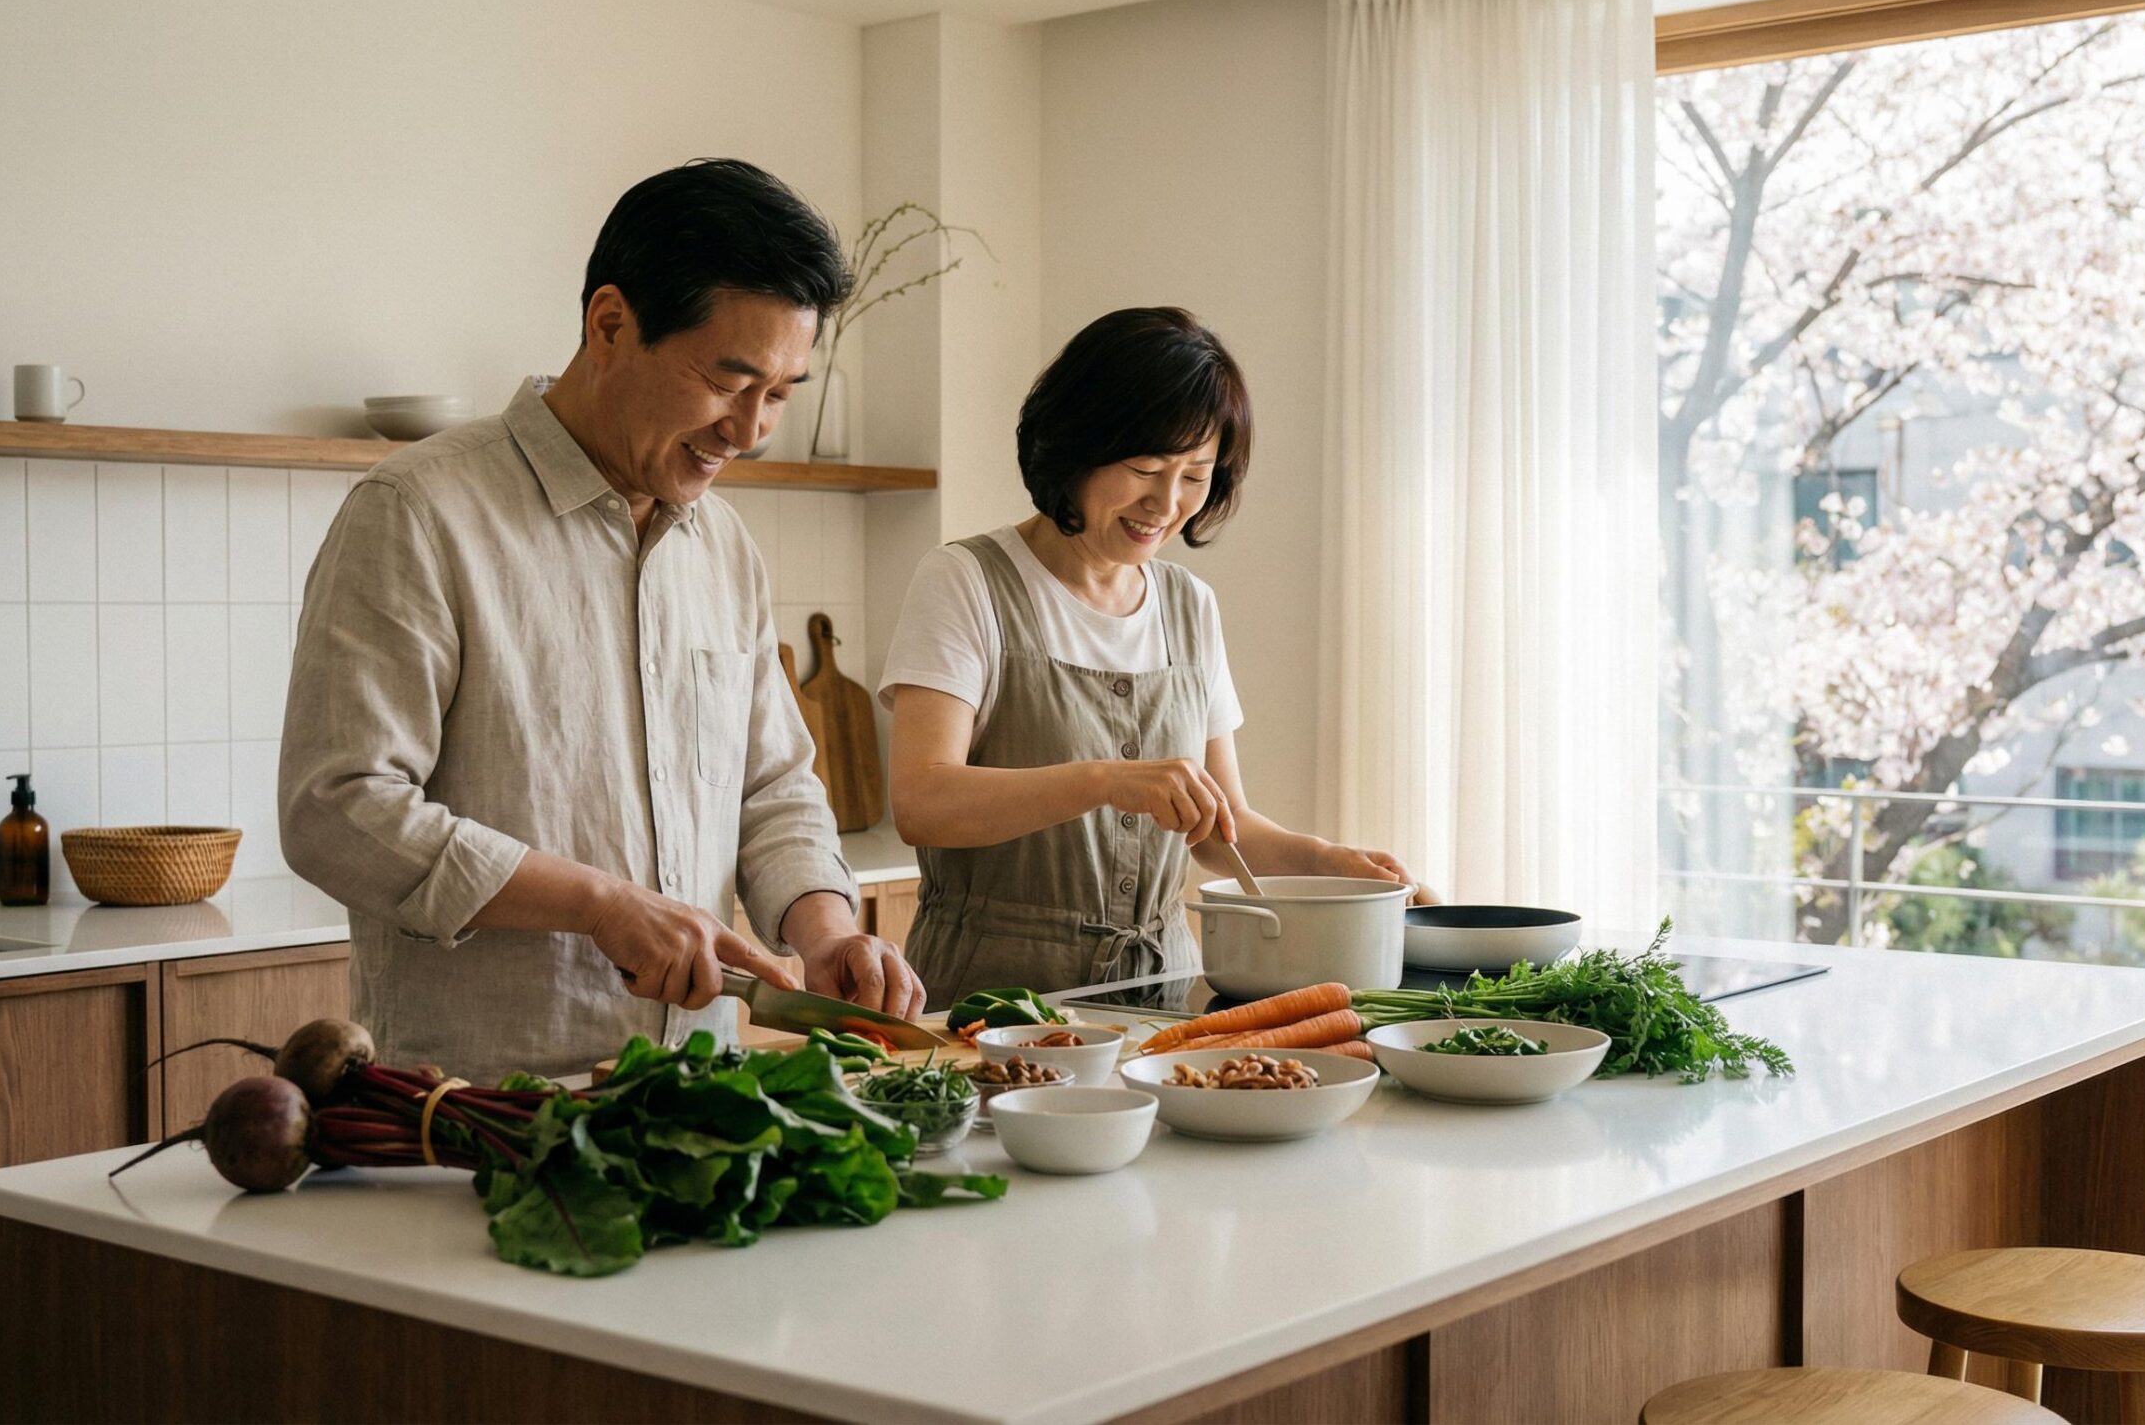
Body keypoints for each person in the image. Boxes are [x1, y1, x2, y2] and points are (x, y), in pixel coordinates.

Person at [281, 159, 922, 1081]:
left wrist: (823, 930)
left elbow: (772, 787)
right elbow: (334, 809)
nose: (750, 430)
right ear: (611, 324)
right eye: (730, 380)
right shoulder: (419, 510)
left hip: (700, 1097)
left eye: (781, 393)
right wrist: (597, 903)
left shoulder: (723, 545)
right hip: (484, 1104)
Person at [881, 307, 1424, 1008]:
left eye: (1197, 476)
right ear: (1075, 445)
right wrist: (1106, 780)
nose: (1166, 504)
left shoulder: (1188, 604)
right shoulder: (966, 580)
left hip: (1158, 995)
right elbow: (922, 801)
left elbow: (1220, 827)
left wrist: (1329, 863)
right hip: (991, 1003)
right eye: (1145, 468)